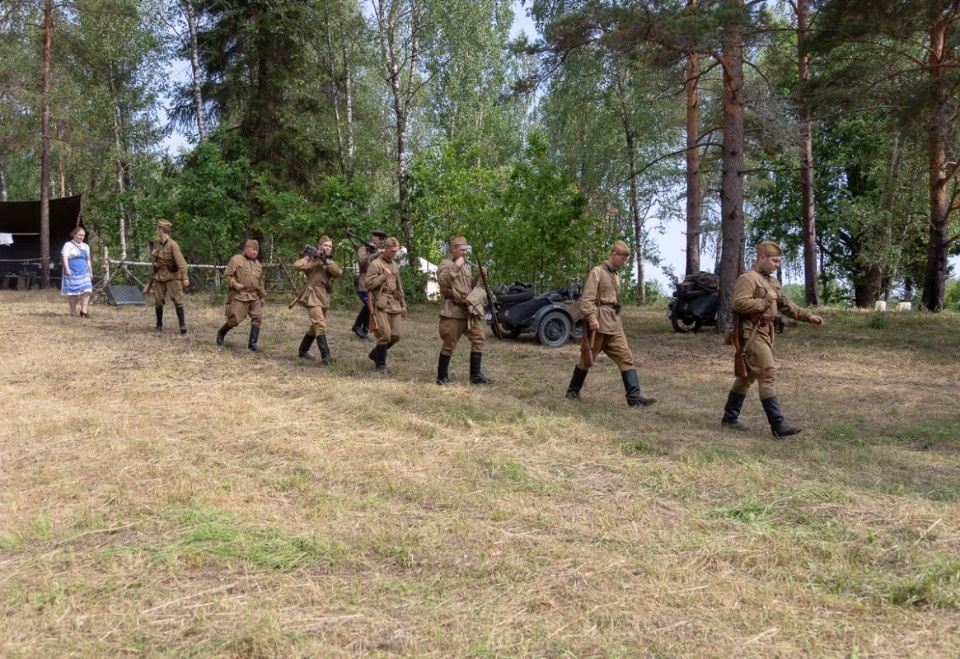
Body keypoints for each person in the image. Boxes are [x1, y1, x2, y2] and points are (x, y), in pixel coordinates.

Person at [721, 240, 824, 438]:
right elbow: (738, 304)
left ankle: (729, 418)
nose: (777, 265)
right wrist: (765, 301)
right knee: (768, 372)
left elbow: (786, 305)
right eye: (774, 261)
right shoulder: (748, 278)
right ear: (762, 257)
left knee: (747, 377)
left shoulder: (771, 281)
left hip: (766, 333)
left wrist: (808, 316)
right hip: (751, 334)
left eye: (778, 261)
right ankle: (778, 425)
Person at [565, 240, 656, 407]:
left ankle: (634, 398)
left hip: (614, 324)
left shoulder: (615, 275)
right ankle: (572, 392)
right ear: (614, 255)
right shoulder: (597, 272)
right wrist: (591, 318)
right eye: (622, 259)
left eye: (626, 259)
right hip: (599, 324)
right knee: (587, 359)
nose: (624, 262)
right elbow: (587, 299)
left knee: (626, 358)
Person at [435, 235, 493, 385]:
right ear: (453, 249)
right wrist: (456, 266)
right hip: (453, 310)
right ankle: (442, 377)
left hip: (469, 311)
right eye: (462, 250)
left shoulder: (466, 266)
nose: (465, 252)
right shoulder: (445, 264)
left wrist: (478, 275)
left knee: (479, 338)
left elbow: (470, 286)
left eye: (466, 250)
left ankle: (475, 375)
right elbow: (442, 282)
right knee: (449, 343)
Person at [293, 236, 342, 364]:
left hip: (323, 296)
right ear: (319, 246)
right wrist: (310, 258)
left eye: (330, 246)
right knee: (319, 325)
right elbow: (297, 265)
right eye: (325, 245)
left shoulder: (329, 261)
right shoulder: (311, 258)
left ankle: (303, 350)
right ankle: (326, 356)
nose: (328, 248)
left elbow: (337, 273)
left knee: (314, 326)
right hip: (312, 295)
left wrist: (326, 260)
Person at [364, 236, 406, 373]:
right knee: (384, 335)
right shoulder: (375, 264)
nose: (395, 254)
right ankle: (381, 364)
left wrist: (403, 304)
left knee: (396, 335)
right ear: (386, 248)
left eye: (396, 251)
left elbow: (399, 286)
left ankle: (375, 354)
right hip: (381, 302)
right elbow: (368, 284)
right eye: (393, 251)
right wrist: (383, 276)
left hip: (394, 303)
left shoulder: (394, 265)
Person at [217, 239, 267, 351]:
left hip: (254, 296)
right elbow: (227, 275)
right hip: (240, 295)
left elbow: (260, 282)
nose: (255, 252)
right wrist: (235, 284)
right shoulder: (236, 259)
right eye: (252, 249)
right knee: (235, 320)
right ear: (246, 249)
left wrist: (262, 296)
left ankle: (252, 345)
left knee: (257, 318)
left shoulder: (258, 264)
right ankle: (221, 332)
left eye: (256, 250)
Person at [149, 219, 190, 334]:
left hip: (172, 276)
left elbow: (182, 262)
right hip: (159, 275)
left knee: (177, 299)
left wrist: (185, 277)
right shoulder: (158, 244)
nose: (156, 231)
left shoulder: (173, 245)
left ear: (161, 230)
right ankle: (159, 326)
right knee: (158, 301)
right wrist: (153, 255)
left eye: (157, 229)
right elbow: (156, 260)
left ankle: (182, 326)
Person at [351, 229, 386, 339]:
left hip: (375, 281)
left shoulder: (379, 250)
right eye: (379, 238)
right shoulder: (363, 248)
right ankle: (357, 326)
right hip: (364, 280)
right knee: (368, 305)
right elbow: (362, 261)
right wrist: (376, 254)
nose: (380, 241)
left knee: (373, 306)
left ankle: (365, 330)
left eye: (382, 239)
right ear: (373, 237)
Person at [61, 226, 93, 317]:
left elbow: (88, 260)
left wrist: (90, 272)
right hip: (72, 271)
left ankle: (83, 311)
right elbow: (65, 257)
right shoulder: (68, 245)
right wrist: (67, 269)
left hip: (84, 271)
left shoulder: (86, 246)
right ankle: (73, 312)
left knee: (87, 290)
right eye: (79, 235)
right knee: (73, 292)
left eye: (83, 235)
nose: (81, 237)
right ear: (74, 234)